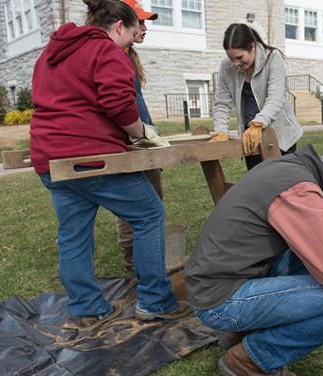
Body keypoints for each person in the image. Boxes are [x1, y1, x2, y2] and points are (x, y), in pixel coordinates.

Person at [30, 0, 191, 334]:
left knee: (73, 234)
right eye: (133, 35)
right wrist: (141, 133)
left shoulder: (51, 53)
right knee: (149, 215)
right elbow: (118, 103)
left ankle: (87, 309)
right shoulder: (106, 51)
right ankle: (155, 301)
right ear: (120, 26)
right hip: (93, 158)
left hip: (52, 159)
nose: (132, 42)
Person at [184, 142, 323, 376]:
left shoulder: (291, 168)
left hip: (219, 282)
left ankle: (243, 331)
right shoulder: (300, 191)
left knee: (308, 253)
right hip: (219, 301)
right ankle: (251, 360)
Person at [208, 22, 303, 170]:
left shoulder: (272, 58)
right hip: (250, 137)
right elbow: (221, 103)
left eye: (239, 57)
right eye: (231, 58)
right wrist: (221, 131)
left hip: (281, 135)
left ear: (252, 47)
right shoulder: (227, 66)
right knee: (258, 184)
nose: (235, 63)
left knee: (284, 185)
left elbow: (276, 98)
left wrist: (258, 123)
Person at [115, 0, 162, 273]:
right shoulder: (114, 56)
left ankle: (145, 258)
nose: (144, 28)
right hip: (131, 141)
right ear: (122, 24)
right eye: (140, 22)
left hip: (143, 136)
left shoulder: (129, 54)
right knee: (140, 205)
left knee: (151, 199)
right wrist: (139, 134)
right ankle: (135, 260)